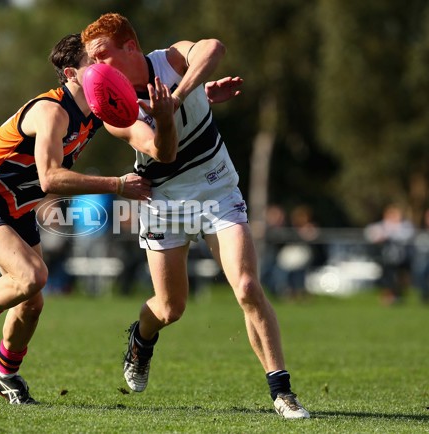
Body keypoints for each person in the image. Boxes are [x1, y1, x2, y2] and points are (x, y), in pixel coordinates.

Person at [82, 13, 310, 419]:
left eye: (102, 55)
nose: (96, 67)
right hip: (164, 202)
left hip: (217, 187)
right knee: (171, 308)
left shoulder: (170, 58)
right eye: (90, 59)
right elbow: (163, 152)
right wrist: (166, 115)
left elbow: (213, 47)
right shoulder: (114, 107)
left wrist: (186, 94)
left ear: (131, 47)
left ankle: (282, 392)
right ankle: (141, 339)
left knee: (246, 287)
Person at [0, 33, 165, 404]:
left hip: (17, 207)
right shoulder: (52, 112)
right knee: (32, 276)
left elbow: (143, 116)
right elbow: (50, 178)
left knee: (32, 301)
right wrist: (117, 184)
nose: (105, 67)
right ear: (71, 73)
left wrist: (197, 98)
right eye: (93, 62)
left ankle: (5, 374)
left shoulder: (95, 110)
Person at [364, 204, 415, 305]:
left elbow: (406, 234)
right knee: (387, 278)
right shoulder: (381, 225)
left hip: (402, 259)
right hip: (385, 259)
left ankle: (398, 296)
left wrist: (388, 234)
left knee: (401, 278)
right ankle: (388, 298)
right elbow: (370, 233)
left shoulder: (405, 226)